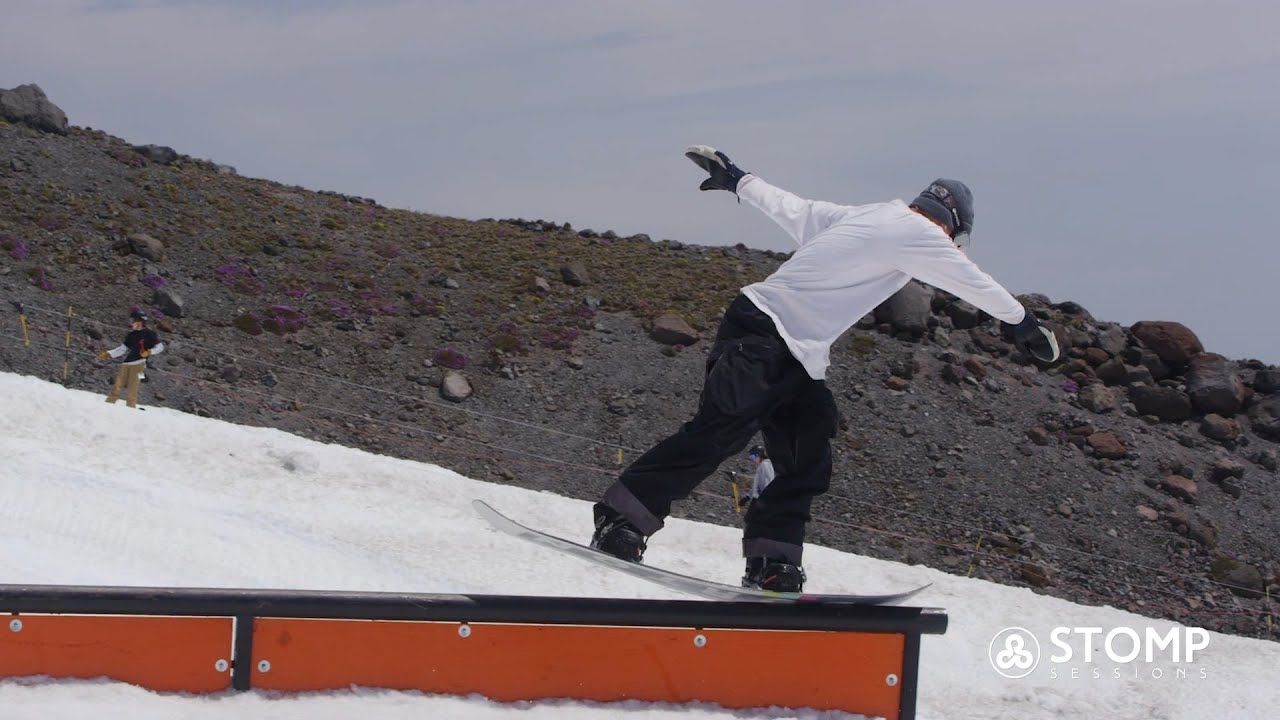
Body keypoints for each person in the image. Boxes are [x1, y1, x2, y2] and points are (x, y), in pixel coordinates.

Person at [589, 145, 1060, 592]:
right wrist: (1025, 324)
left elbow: (795, 209)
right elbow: (970, 278)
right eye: (956, 239)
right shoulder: (921, 234)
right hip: (764, 330)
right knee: (721, 430)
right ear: (951, 225)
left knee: (805, 456)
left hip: (798, 354)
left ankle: (773, 561)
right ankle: (621, 517)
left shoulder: (865, 217)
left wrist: (739, 180)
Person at [98, 310, 165, 408]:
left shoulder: (150, 334)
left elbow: (160, 347)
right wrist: (108, 353)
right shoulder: (131, 335)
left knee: (133, 386)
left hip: (140, 363)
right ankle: (110, 403)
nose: (131, 323)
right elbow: (122, 349)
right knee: (118, 384)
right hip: (127, 363)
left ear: (140, 321)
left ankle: (131, 406)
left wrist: (150, 352)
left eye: (133, 321)